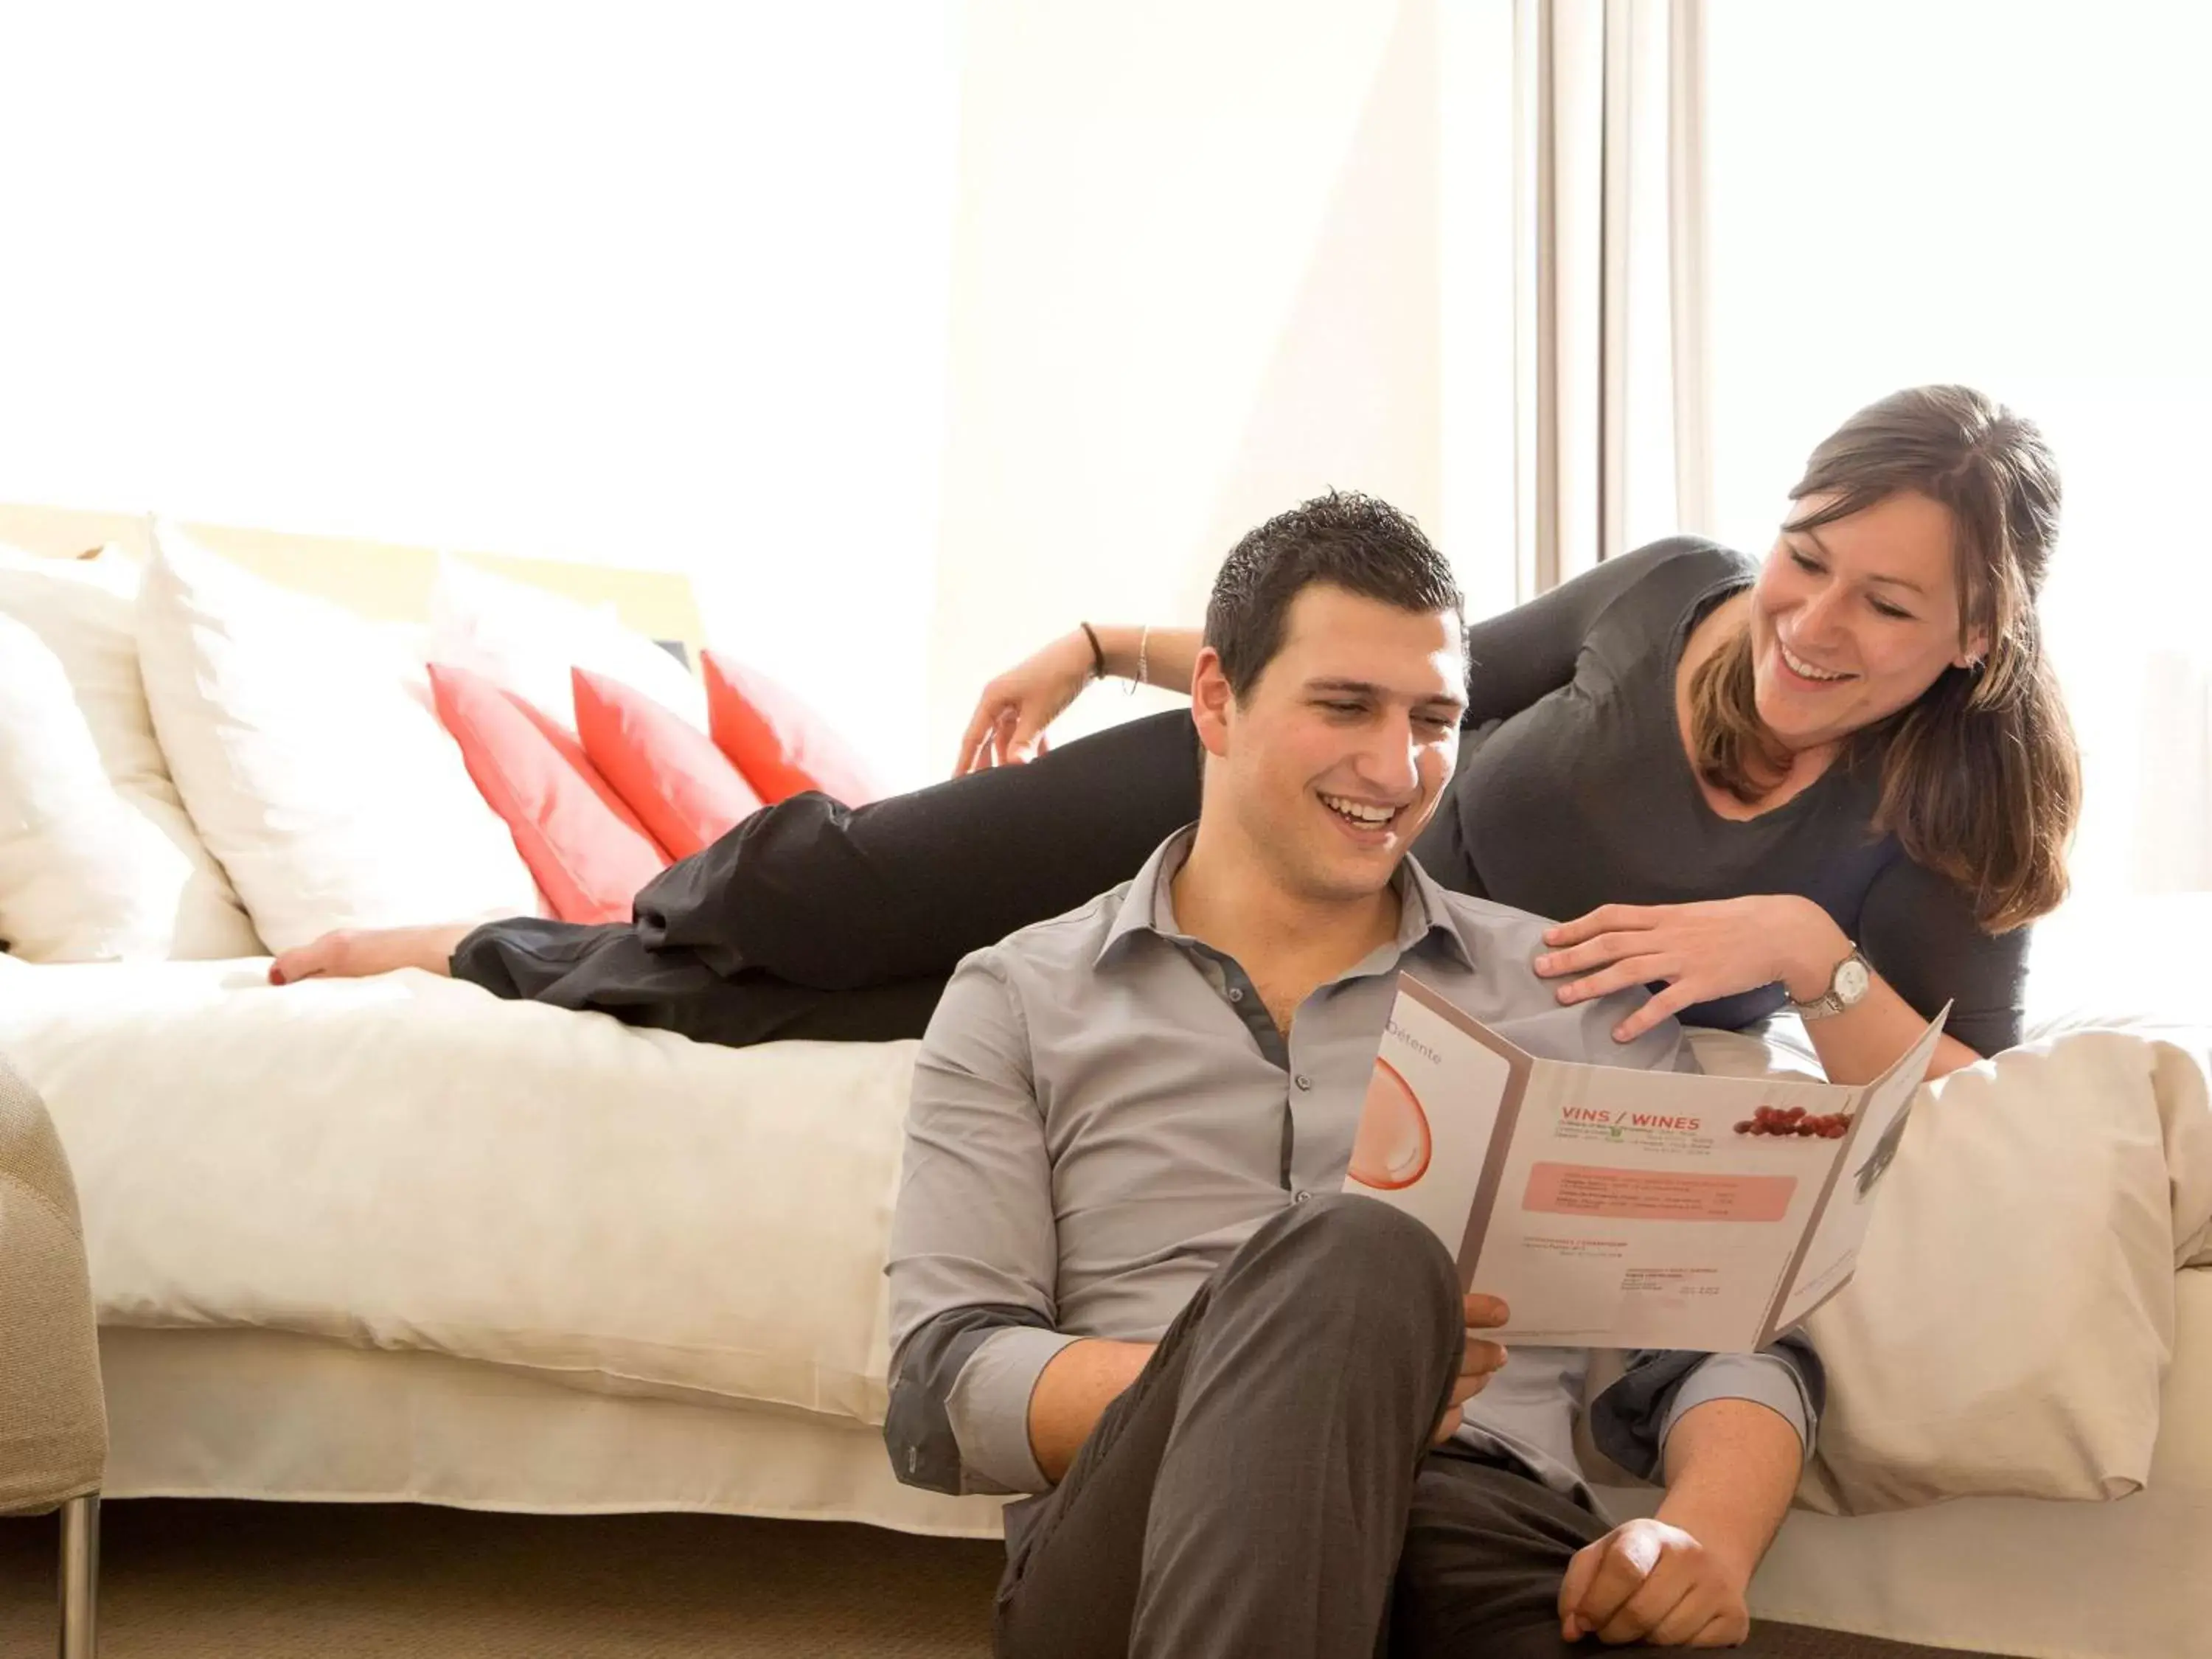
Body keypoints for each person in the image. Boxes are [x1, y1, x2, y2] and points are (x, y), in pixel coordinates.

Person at [272, 384, 2079, 1087]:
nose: (1812, 624)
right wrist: (1111, 646)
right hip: (1255, 797)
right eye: (1809, 558)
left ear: (1980, 636)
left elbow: (1971, 1109)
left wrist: (1805, 954)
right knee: (840, 885)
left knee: (854, 1017)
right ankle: (477, 932)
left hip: (1347, 971)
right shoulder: (1672, 595)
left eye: (1887, 607)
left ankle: (498, 957)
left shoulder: (1951, 830)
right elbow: (1394, 665)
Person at [886, 495, 1820, 1656]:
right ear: (1217, 697)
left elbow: (1728, 1332)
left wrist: (1702, 1539)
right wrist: (1292, 1368)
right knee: (1358, 1257)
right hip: (1141, 1531)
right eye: (1346, 706)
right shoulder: (1019, 995)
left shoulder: (1567, 987)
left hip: (1477, 1521)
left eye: (1436, 717)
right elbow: (943, 1385)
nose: (1398, 765)